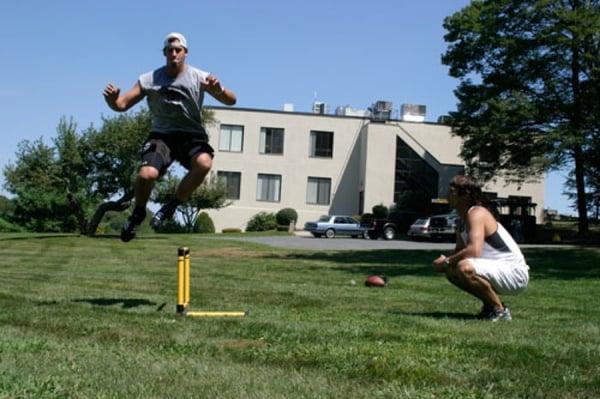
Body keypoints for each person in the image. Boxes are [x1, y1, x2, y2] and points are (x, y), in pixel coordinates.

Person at [103, 32, 237, 242]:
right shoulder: (149, 79)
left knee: (203, 163)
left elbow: (231, 100)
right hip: (162, 136)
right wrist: (112, 100)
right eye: (169, 50)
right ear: (164, 53)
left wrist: (219, 90)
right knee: (147, 174)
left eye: (178, 50)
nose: (174, 53)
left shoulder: (199, 77)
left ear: (185, 53)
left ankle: (171, 206)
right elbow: (121, 105)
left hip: (191, 135)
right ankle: (138, 213)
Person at [432, 175, 529, 321]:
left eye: (452, 191)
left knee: (464, 268)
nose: (447, 194)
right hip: (497, 269)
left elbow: (473, 250)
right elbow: (460, 250)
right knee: (451, 271)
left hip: (514, 273)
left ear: (465, 195)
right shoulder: (461, 219)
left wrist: (447, 261)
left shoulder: (477, 213)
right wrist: (445, 261)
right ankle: (491, 306)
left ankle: (500, 311)